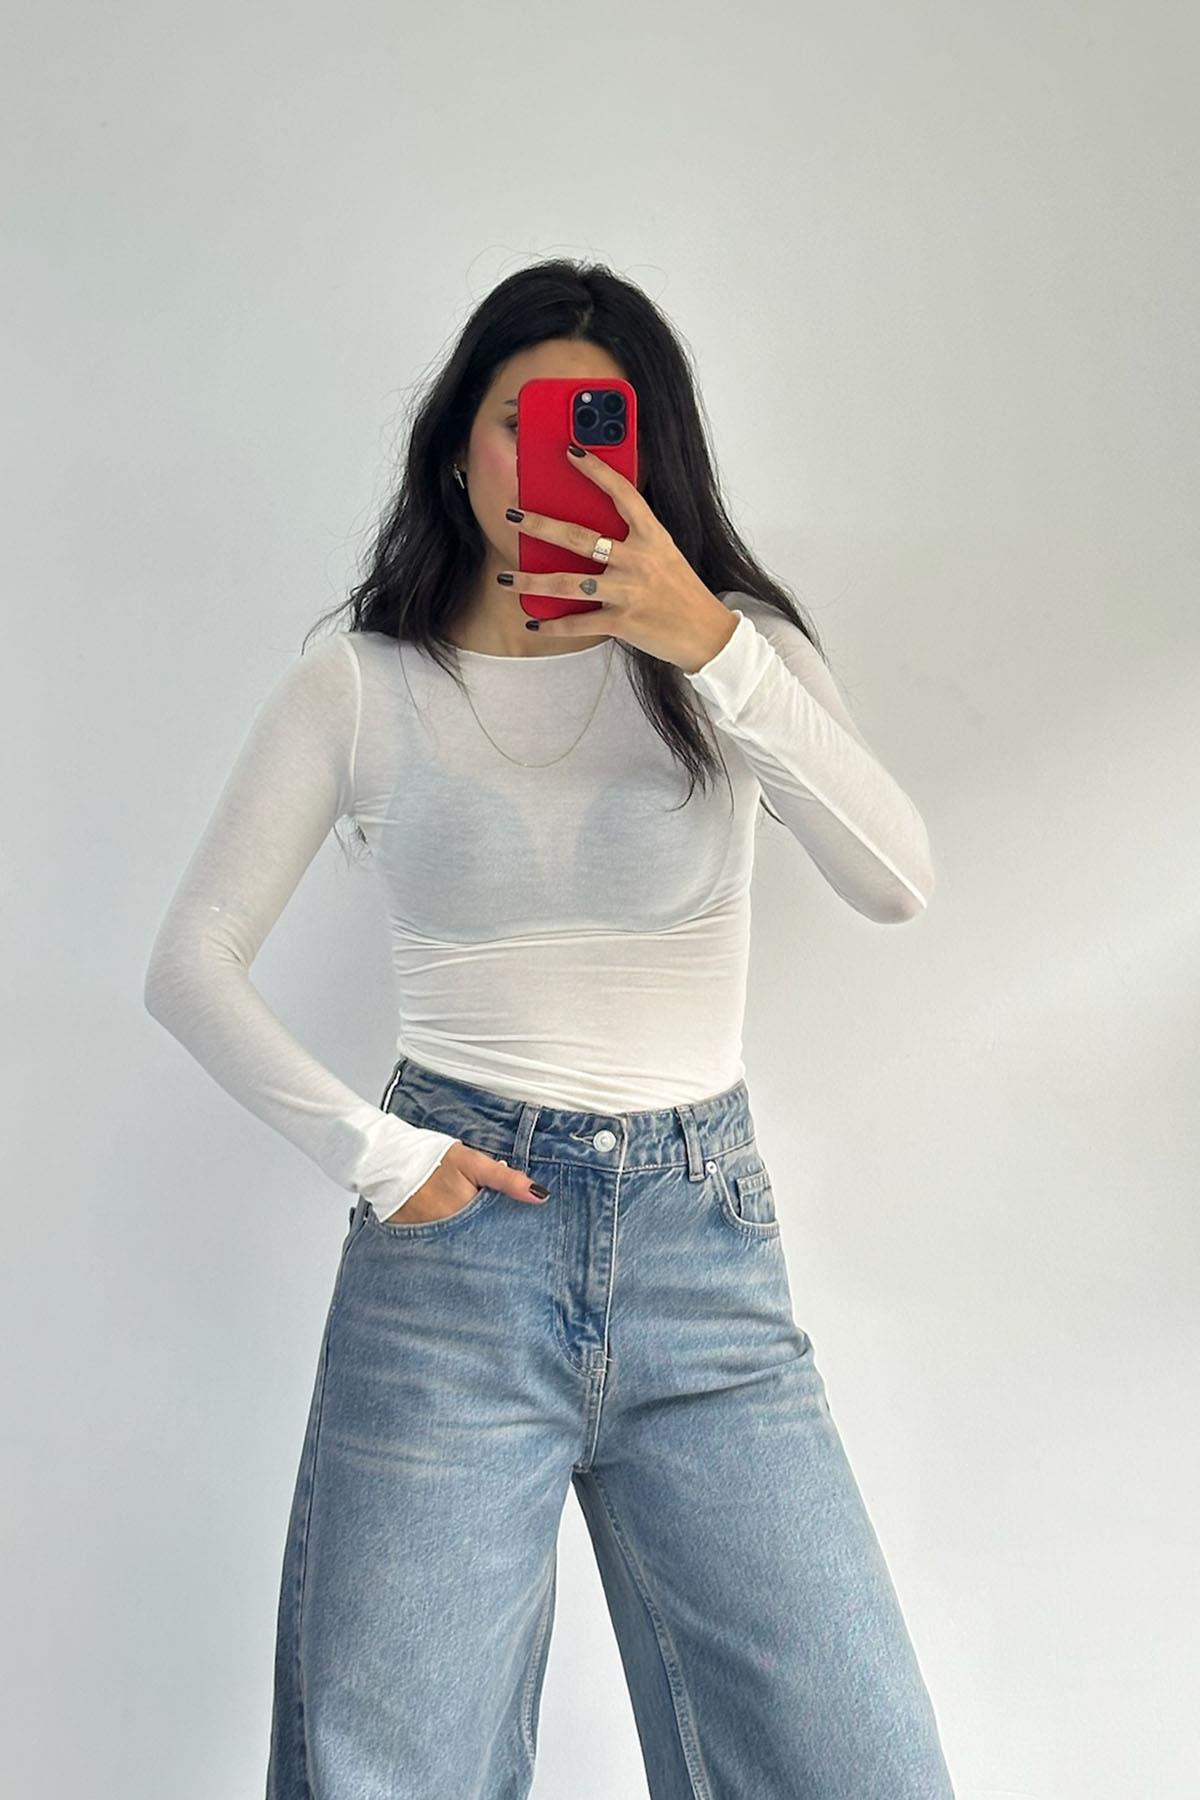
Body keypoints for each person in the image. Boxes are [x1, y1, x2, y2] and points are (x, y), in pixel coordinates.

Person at [143, 258, 954, 1799]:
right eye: (518, 424)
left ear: (648, 453)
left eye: (593, 427)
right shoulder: (364, 683)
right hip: (454, 1257)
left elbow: (896, 881)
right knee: (393, 1773)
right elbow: (190, 962)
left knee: (860, 1764)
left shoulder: (730, 653)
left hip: (704, 1259)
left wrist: (708, 642)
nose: (547, 463)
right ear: (459, 445)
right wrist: (381, 1157)